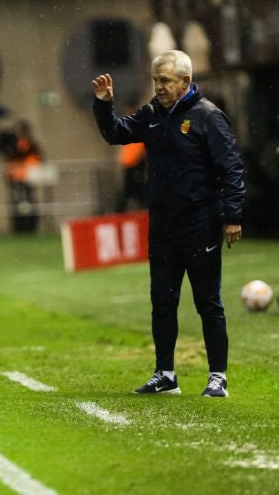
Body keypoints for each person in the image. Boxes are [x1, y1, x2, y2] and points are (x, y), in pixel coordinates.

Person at [91, 50, 245, 398]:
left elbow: (231, 168)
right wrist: (104, 105)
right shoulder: (151, 115)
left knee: (208, 302)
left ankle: (217, 376)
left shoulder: (208, 117)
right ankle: (165, 374)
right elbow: (116, 133)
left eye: (165, 81)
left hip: (199, 222)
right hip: (162, 224)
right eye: (155, 80)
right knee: (162, 300)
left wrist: (232, 216)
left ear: (185, 82)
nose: (158, 87)